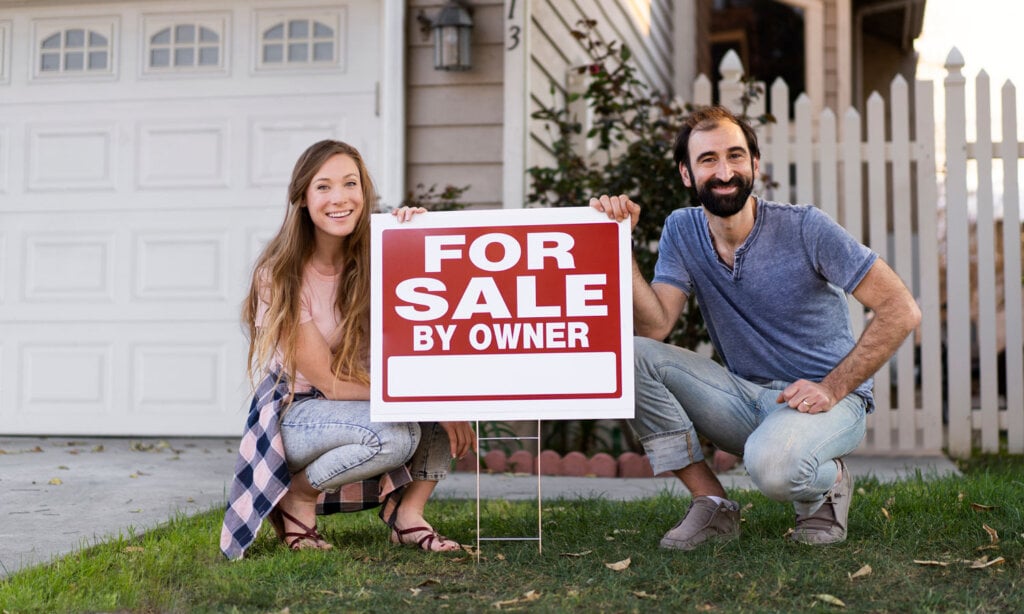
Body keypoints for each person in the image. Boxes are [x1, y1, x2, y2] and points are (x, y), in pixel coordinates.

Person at [591, 105, 920, 549]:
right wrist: (618, 244)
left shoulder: (806, 227)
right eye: (708, 159)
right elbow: (655, 328)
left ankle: (828, 481)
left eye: (735, 156)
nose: (724, 171)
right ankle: (711, 503)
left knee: (774, 470)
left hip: (827, 403)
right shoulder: (681, 230)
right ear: (687, 174)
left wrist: (834, 386)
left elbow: (900, 309)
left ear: (755, 165)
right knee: (628, 356)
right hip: (745, 399)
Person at [220, 140, 476, 559]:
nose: (339, 198)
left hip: (362, 396)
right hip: (301, 413)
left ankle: (409, 516)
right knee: (396, 433)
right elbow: (329, 383)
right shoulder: (279, 275)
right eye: (323, 187)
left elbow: (442, 305)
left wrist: (419, 238)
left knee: (447, 389)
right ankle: (295, 496)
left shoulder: (379, 254)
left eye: (349, 184)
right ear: (302, 199)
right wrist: (428, 404)